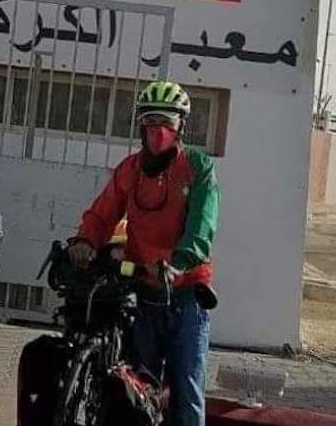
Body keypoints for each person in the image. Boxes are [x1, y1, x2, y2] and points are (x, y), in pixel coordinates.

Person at [68, 79, 219, 426]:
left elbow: (202, 228)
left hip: (185, 295)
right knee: (134, 392)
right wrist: (85, 241)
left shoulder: (198, 168)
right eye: (150, 122)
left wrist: (177, 263)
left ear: (181, 126)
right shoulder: (130, 170)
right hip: (141, 293)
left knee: (186, 396)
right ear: (139, 126)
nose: (158, 132)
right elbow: (103, 212)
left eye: (167, 122)